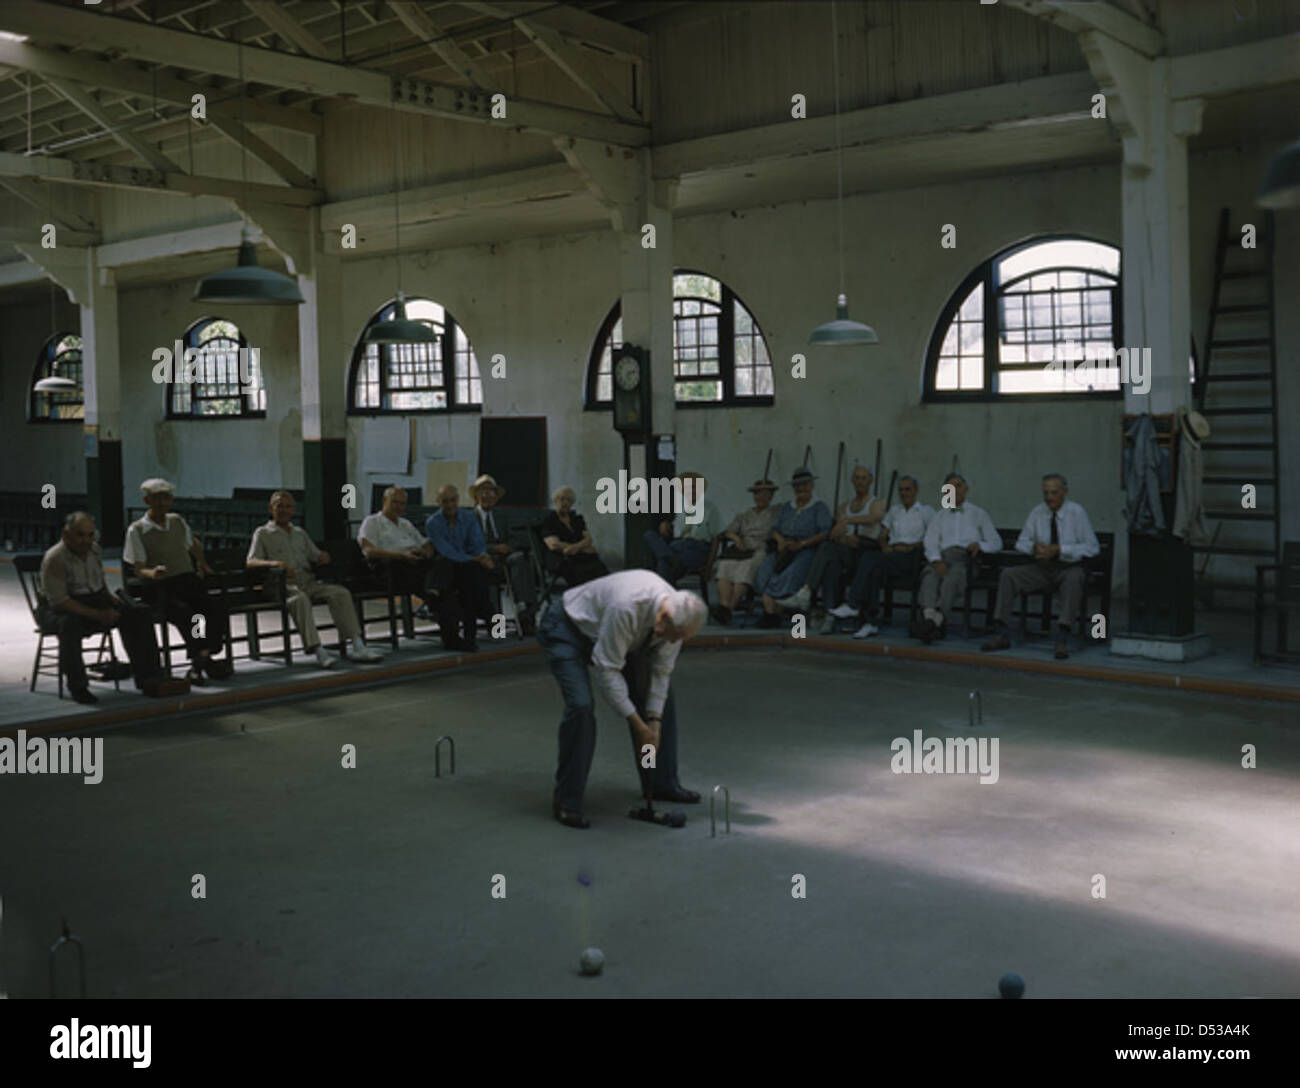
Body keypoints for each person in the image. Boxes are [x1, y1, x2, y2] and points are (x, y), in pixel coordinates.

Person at [536, 570, 707, 829]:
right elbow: (608, 671)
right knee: (581, 706)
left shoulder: (679, 619)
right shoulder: (626, 607)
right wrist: (640, 726)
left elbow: (661, 672)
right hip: (567, 627)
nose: (669, 638)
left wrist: (655, 724)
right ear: (663, 615)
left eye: (676, 637)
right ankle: (566, 802)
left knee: (661, 700)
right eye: (668, 631)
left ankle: (660, 784)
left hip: (622, 637)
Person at [39, 511, 190, 704]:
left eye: (90, 535)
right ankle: (78, 687)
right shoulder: (55, 558)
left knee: (138, 614)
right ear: (66, 534)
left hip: (91, 600)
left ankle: (150, 677)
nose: (86, 540)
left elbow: (98, 586)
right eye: (80, 535)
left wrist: (114, 603)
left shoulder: (94, 550)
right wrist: (98, 614)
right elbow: (60, 602)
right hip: (57, 609)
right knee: (69, 625)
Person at [247, 491, 385, 668]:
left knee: (340, 593)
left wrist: (322, 557)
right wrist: (275, 563)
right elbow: (250, 561)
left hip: (308, 582)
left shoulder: (299, 533)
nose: (284, 510)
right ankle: (318, 650)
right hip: (281, 585)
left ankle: (357, 644)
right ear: (271, 508)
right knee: (300, 600)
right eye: (279, 505)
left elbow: (315, 554)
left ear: (293, 510)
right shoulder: (263, 533)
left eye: (288, 506)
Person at [123, 478, 233, 684]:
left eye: (166, 498)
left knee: (215, 608)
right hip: (160, 587)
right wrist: (152, 573)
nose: (162, 503)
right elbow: (137, 568)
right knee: (188, 615)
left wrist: (202, 563)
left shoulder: (177, 521)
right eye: (157, 499)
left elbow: (193, 544)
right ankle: (203, 662)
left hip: (186, 580)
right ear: (147, 500)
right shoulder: (137, 530)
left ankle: (201, 659)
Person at [982, 473, 1100, 660]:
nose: (1049, 498)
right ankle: (1001, 633)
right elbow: (1021, 543)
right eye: (1045, 493)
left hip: (1068, 567)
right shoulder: (1038, 512)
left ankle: (1062, 636)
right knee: (1008, 575)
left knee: (1074, 578)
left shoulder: (1076, 513)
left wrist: (1061, 549)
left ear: (1064, 492)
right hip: (1042, 569)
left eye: (1053, 492)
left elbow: (1092, 548)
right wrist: (1033, 547)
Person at [776, 464, 885, 633]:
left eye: (863, 478)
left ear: (871, 480)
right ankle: (829, 614)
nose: (860, 482)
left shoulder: (876, 503)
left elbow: (875, 517)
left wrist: (849, 521)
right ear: (852, 480)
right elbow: (834, 533)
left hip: (866, 550)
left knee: (829, 554)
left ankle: (807, 593)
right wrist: (844, 538)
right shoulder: (844, 506)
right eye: (856, 478)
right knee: (831, 562)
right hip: (847, 549)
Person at [829, 474, 934, 638]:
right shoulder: (895, 511)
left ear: (916, 491)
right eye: (901, 490)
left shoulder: (926, 512)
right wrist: (885, 546)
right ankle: (870, 623)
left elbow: (931, 540)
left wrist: (908, 547)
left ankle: (853, 604)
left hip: (911, 557)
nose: (904, 493)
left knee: (870, 559)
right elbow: (883, 535)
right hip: (891, 556)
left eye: (908, 489)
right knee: (874, 569)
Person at [915, 473, 1002, 643]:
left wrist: (980, 545)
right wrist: (936, 560)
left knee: (952, 578)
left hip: (965, 559)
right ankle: (932, 620)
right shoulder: (939, 515)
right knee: (929, 576)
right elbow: (930, 541)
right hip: (942, 557)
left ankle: (932, 623)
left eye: (958, 486)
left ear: (966, 489)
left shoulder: (979, 514)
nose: (954, 490)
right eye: (950, 487)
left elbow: (996, 542)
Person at [753, 467, 832, 628]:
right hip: (784, 549)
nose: (800, 488)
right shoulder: (787, 507)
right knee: (766, 570)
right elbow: (774, 529)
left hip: (806, 549)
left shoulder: (819, 507)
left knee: (792, 572)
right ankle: (770, 613)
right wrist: (781, 541)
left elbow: (825, 533)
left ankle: (788, 614)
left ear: (811, 486)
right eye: (797, 485)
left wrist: (802, 544)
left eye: (804, 485)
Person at [425, 483, 492, 652]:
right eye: (445, 501)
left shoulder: (468, 517)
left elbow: (477, 542)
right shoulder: (433, 523)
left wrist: (482, 556)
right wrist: (474, 559)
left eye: (453, 500)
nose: (450, 505)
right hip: (448, 568)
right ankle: (488, 616)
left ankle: (471, 635)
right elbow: (446, 551)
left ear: (458, 499)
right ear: (438, 502)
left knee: (472, 581)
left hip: (468, 567)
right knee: (471, 579)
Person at [470, 474, 538, 636]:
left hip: (505, 560)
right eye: (483, 492)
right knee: (489, 579)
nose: (487, 496)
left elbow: (514, 538)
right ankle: (497, 628)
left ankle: (525, 613)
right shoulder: (471, 517)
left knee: (521, 560)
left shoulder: (501, 516)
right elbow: (471, 544)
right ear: (476, 496)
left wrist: (508, 547)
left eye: (491, 493)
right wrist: (494, 548)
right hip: (482, 560)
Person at [358, 486, 437, 621]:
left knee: (443, 562)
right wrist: (401, 555)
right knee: (439, 590)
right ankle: (432, 599)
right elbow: (368, 551)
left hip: (416, 564)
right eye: (394, 502)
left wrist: (425, 552)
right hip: (390, 567)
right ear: (384, 500)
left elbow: (425, 544)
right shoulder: (372, 522)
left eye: (402, 504)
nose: (398, 507)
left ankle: (433, 600)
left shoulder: (405, 524)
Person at [711, 478, 779, 625]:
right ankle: (723, 606)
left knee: (746, 568)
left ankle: (729, 609)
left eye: (765, 494)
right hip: (741, 549)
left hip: (760, 549)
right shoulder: (745, 514)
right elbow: (728, 531)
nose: (760, 497)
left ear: (771, 496)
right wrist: (736, 539)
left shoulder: (775, 513)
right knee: (725, 566)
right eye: (757, 494)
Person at [642, 471, 722, 586]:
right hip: (677, 547)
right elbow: (673, 532)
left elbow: (716, 538)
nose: (691, 491)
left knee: (663, 563)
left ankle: (666, 593)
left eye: (694, 487)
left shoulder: (710, 509)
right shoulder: (680, 508)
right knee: (649, 535)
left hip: (697, 549)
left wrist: (709, 567)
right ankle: (671, 560)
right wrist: (665, 526)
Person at [541, 486, 609, 587]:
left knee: (599, 566)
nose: (565, 503)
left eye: (568, 500)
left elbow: (588, 539)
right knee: (582, 570)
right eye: (561, 499)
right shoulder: (549, 520)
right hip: (560, 558)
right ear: (555, 501)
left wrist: (574, 548)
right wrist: (582, 548)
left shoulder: (576, 519)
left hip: (577, 555)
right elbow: (554, 545)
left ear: (572, 503)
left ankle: (606, 591)